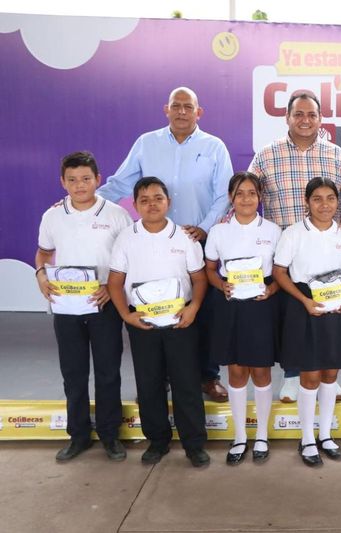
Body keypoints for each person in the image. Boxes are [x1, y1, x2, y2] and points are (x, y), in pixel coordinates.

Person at [98, 86, 233, 403]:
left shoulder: (214, 147)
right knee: (159, 305)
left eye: (189, 107)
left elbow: (223, 195)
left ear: (199, 112)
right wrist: (88, 203)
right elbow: (120, 182)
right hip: (152, 242)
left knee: (202, 312)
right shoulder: (147, 143)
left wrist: (202, 228)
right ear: (166, 110)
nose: (182, 111)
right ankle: (165, 378)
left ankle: (207, 376)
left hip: (198, 240)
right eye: (177, 106)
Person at [249, 91, 341, 404]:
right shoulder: (267, 155)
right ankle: (293, 376)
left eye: (311, 114)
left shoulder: (336, 154)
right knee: (292, 318)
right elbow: (248, 193)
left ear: (320, 118)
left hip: (327, 255)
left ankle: (327, 374)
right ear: (287, 118)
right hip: (285, 254)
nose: (305, 120)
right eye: (298, 114)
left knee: (327, 319)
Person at [35, 151, 132, 462]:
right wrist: (40, 274)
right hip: (66, 309)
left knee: (107, 373)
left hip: (104, 306)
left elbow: (130, 258)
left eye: (86, 179)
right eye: (73, 180)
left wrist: (110, 287)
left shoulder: (116, 215)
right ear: (63, 182)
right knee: (73, 374)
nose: (80, 185)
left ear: (98, 180)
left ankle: (109, 435)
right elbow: (43, 253)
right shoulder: (52, 216)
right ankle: (77, 435)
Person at [107, 177, 210, 467]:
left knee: (187, 382)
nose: (151, 204)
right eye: (144, 199)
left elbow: (199, 279)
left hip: (181, 323)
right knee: (149, 383)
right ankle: (157, 440)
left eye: (157, 198)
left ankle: (194, 444)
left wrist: (194, 308)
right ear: (136, 204)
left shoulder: (184, 238)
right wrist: (126, 315)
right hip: (144, 325)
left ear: (169, 202)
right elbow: (115, 283)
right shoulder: (127, 237)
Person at [272, 178, 341, 467]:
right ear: (307, 203)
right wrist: (305, 300)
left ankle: (325, 435)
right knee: (308, 377)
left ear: (337, 202)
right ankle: (307, 437)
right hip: (305, 305)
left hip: (336, 306)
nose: (325, 204)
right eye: (318, 199)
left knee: (330, 375)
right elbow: (280, 272)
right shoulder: (293, 234)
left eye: (330, 198)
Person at [204, 172, 282, 465]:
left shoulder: (273, 231)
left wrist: (271, 289)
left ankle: (261, 435)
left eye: (251, 193)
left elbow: (281, 272)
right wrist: (221, 285)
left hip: (262, 306)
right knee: (236, 372)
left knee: (261, 372)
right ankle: (239, 436)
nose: (246, 199)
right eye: (239, 194)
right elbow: (210, 269)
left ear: (260, 197)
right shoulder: (219, 232)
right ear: (230, 198)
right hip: (230, 305)